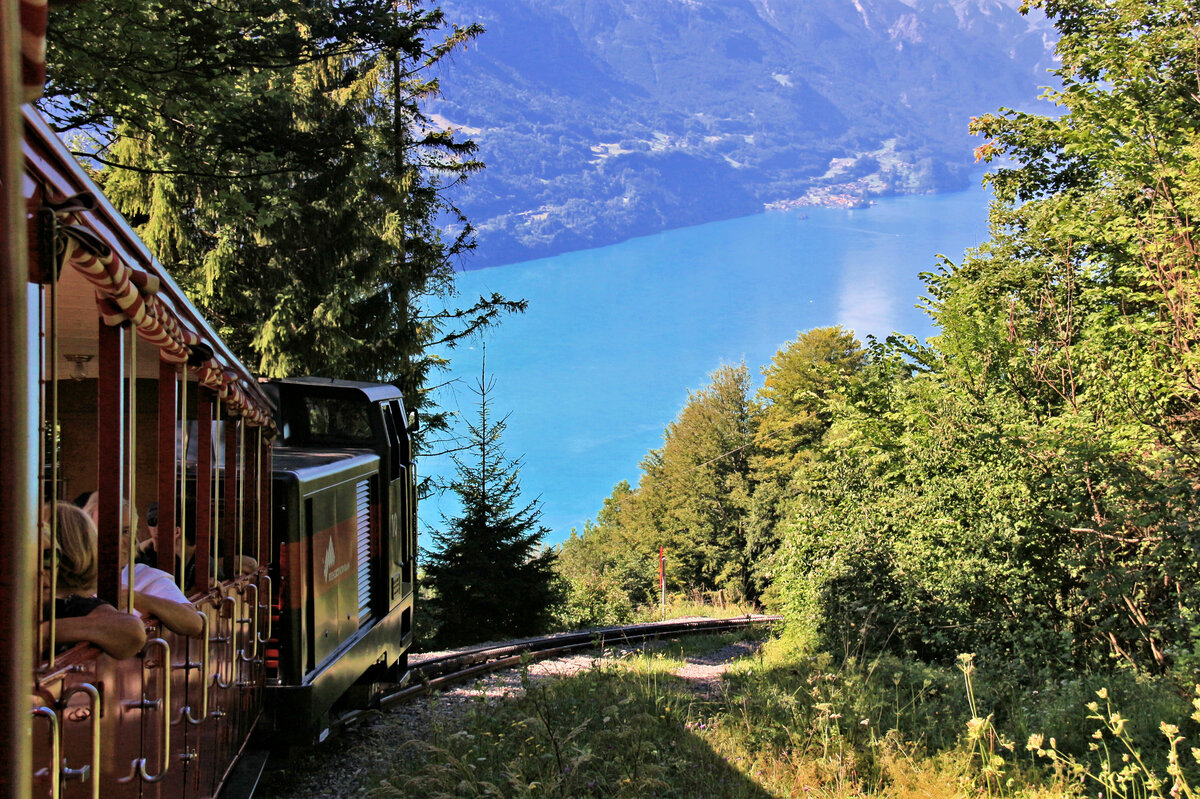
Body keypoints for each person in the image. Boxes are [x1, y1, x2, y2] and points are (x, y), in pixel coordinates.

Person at [42, 502, 146, 659]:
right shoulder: (74, 606)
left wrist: (44, 632)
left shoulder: (71, 606)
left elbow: (133, 631)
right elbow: (132, 631)